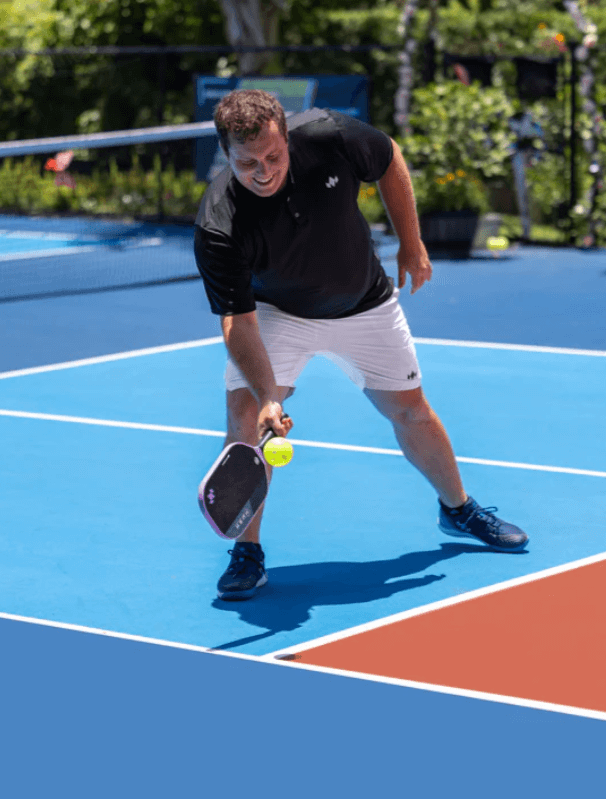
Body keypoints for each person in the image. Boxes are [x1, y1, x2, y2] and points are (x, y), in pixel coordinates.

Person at [194, 89, 528, 601]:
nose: (263, 171)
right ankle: (247, 552)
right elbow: (238, 321)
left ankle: (459, 509)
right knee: (246, 420)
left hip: (365, 302)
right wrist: (267, 396)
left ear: (287, 137)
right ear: (225, 153)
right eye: (247, 163)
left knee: (410, 410)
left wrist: (411, 242)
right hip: (279, 312)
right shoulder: (219, 221)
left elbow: (389, 158)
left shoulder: (328, 133)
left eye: (273, 156)